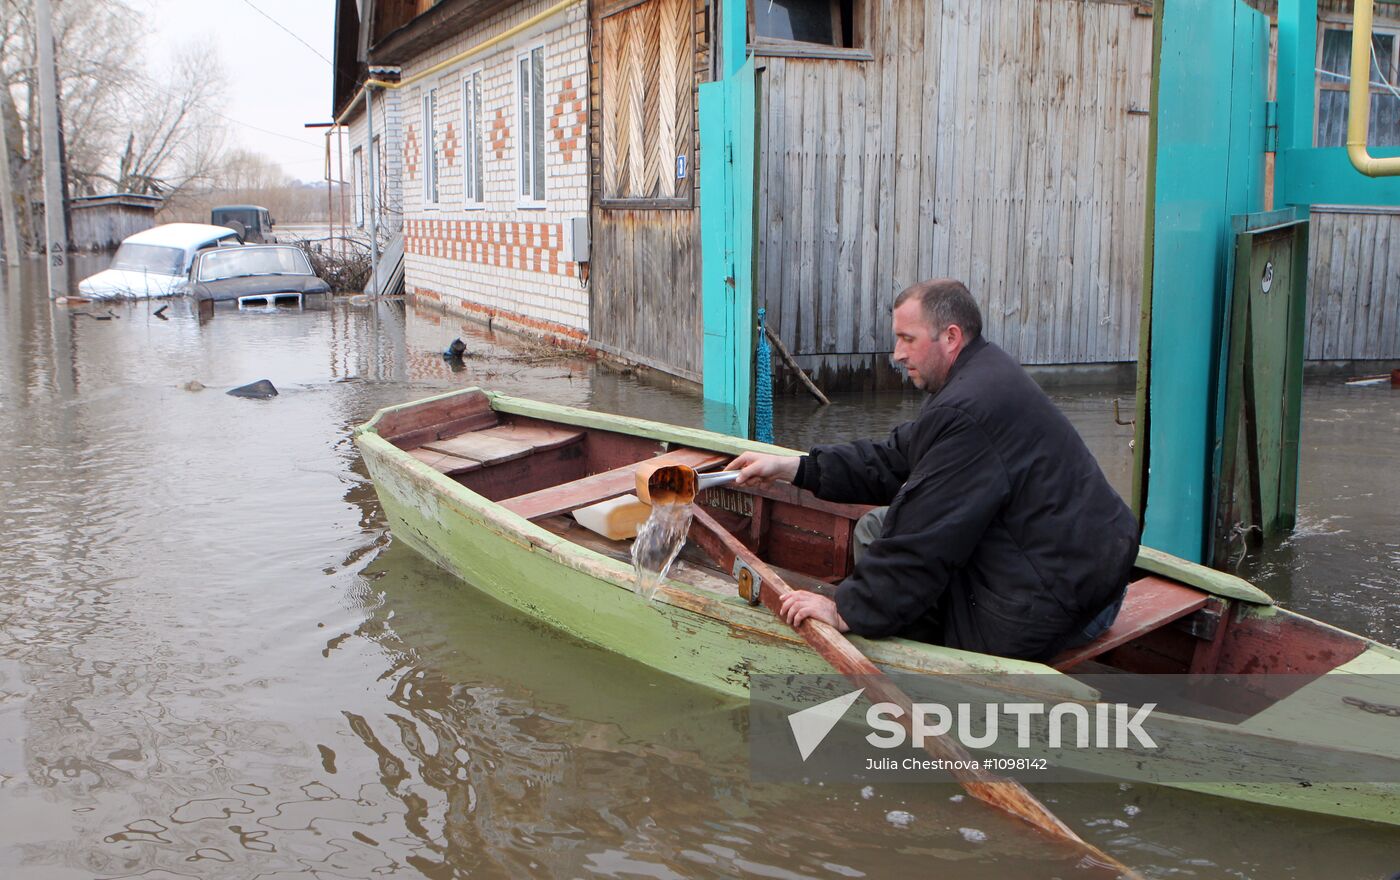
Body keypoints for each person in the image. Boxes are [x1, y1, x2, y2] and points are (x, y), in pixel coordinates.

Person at [727, 278, 1139, 661]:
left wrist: (846, 610)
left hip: (1052, 608)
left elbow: (924, 537)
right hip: (1091, 579)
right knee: (874, 527)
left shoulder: (967, 412)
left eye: (908, 339)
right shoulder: (984, 377)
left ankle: (918, 670)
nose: (897, 354)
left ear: (951, 337)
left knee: (894, 539)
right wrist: (794, 467)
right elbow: (894, 457)